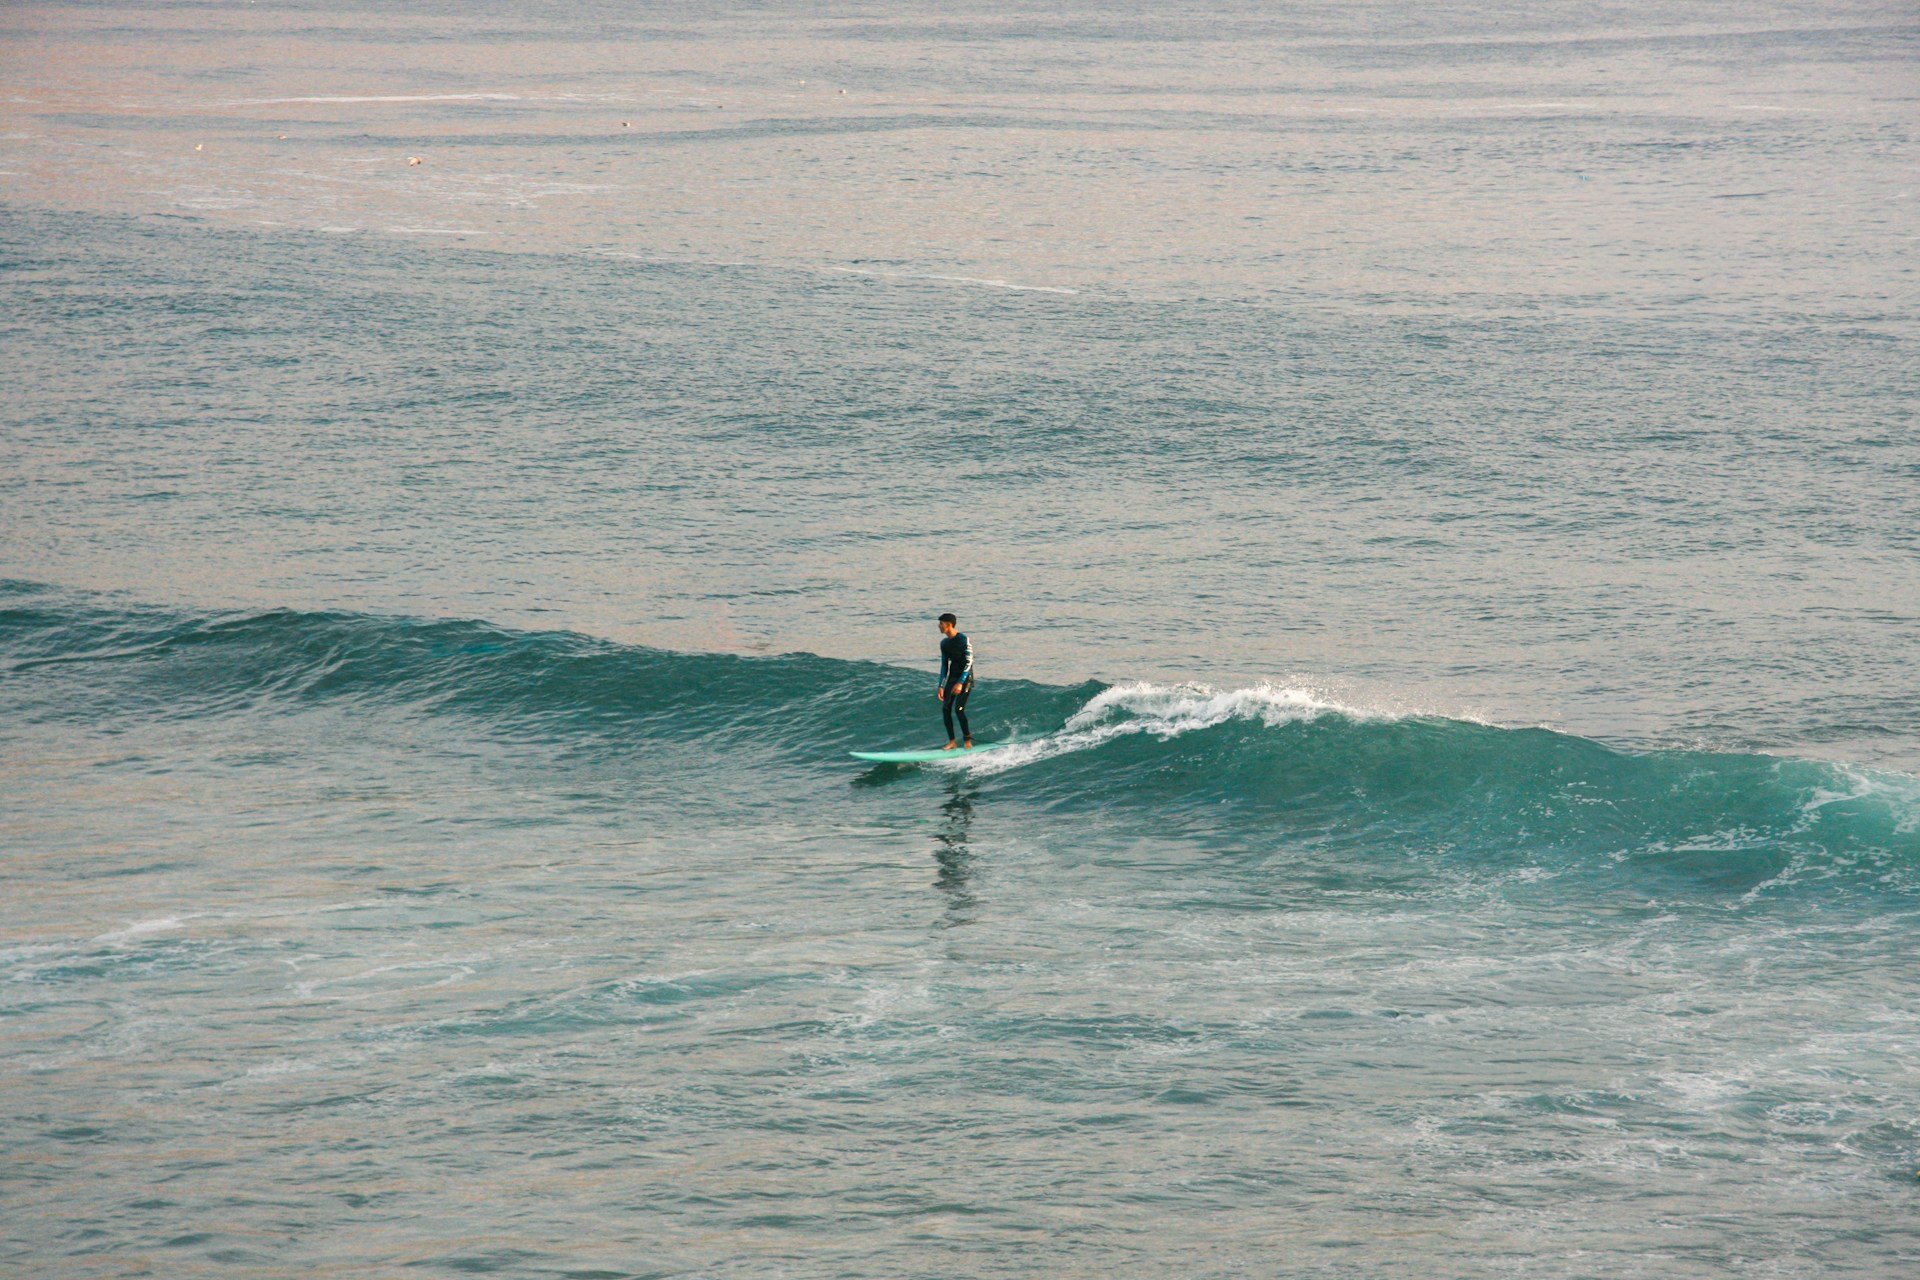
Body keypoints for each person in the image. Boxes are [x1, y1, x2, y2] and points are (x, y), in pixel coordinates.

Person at [936, 612, 974, 750]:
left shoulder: (964, 639)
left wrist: (960, 683)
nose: (939, 626)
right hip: (952, 676)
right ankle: (952, 742)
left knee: (959, 709)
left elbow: (969, 662)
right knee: (946, 709)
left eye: (941, 623)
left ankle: (967, 740)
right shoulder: (944, 643)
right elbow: (944, 665)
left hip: (965, 677)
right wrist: (941, 685)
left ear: (949, 625)